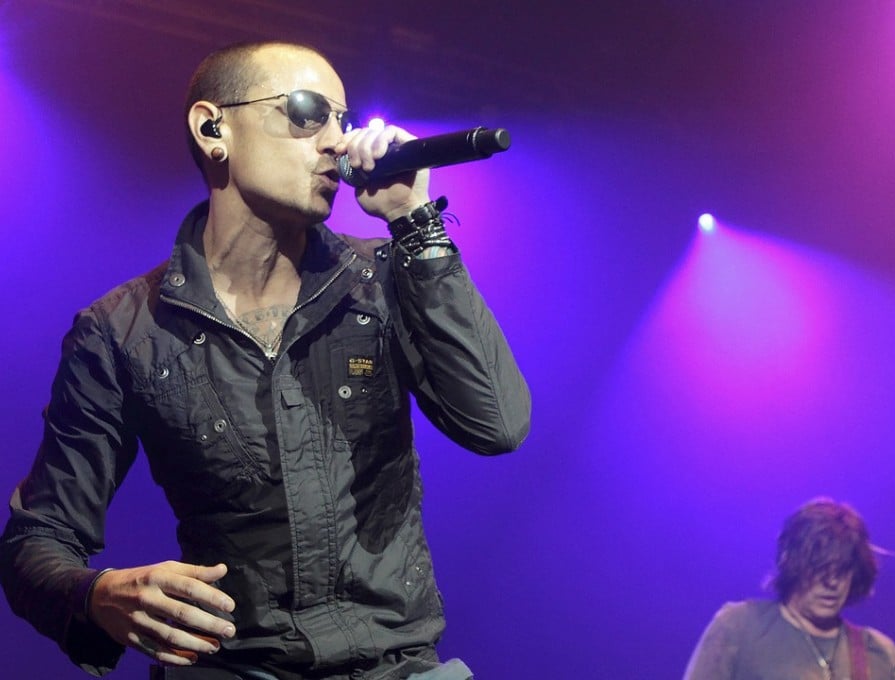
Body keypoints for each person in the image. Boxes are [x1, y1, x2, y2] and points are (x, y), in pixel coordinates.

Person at [0, 40, 530, 680]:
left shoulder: (385, 279)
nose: (337, 141)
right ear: (212, 127)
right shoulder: (121, 330)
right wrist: (98, 595)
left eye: (343, 118)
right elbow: (37, 539)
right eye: (308, 113)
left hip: (396, 667)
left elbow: (497, 424)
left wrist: (415, 222)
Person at [682, 498, 895, 680]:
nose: (832, 582)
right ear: (792, 564)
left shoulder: (881, 655)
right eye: (820, 568)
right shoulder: (740, 627)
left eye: (842, 570)